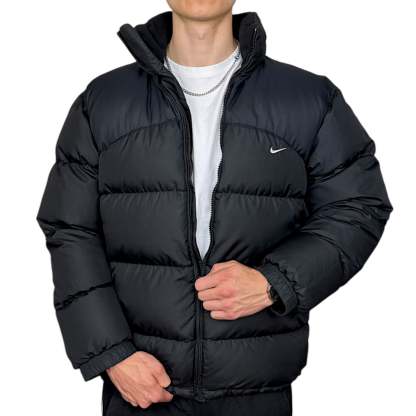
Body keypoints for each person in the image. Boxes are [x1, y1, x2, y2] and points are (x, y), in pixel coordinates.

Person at [36, 1, 393, 415]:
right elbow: (70, 229)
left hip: (257, 385)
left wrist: (273, 282)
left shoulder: (309, 99)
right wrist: (111, 354)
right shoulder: (103, 102)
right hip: (143, 386)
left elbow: (358, 206)